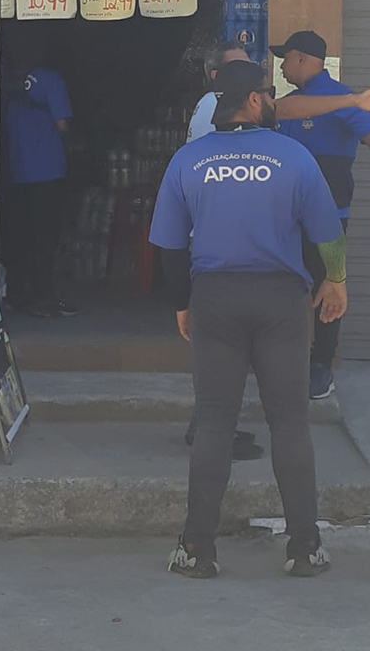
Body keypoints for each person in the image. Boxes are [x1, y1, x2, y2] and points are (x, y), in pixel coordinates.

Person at [150, 60, 349, 579]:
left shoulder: (188, 161)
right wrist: (337, 279)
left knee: (214, 420)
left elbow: (170, 246)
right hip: (281, 300)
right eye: (270, 91)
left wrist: (182, 303)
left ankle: (196, 550)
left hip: (215, 296)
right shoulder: (295, 156)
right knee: (289, 421)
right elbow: (327, 232)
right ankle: (304, 548)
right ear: (256, 101)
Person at [182, 40, 370, 459]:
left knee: (224, 358)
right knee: (230, 359)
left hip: (226, 262)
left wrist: (349, 100)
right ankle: (216, 436)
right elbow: (287, 111)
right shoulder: (215, 112)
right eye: (249, 78)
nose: (263, 86)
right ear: (222, 83)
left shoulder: (228, 116)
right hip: (228, 259)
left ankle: (213, 433)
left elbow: (291, 110)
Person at [273, 30, 370, 400]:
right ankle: (285, 361)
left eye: (285, 58)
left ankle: (321, 366)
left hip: (328, 216)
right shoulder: (289, 103)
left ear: (302, 58)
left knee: (328, 288)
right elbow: (275, 115)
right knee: (284, 288)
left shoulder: (345, 99)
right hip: (283, 216)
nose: (281, 66)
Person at [186, 40, 370, 143]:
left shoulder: (214, 106)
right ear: (216, 76)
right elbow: (284, 110)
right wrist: (353, 100)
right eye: (238, 67)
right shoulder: (212, 103)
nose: (249, 70)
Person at [2, 58, 77, 318]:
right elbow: (62, 124)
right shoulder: (50, 78)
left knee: (19, 237)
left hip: (16, 171)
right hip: (47, 171)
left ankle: (16, 295)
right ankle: (43, 297)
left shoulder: (6, 83)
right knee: (45, 239)